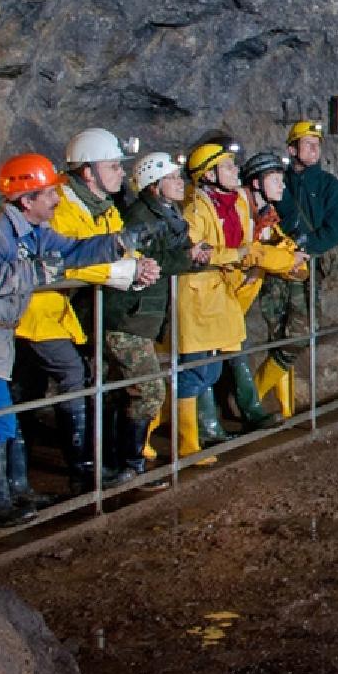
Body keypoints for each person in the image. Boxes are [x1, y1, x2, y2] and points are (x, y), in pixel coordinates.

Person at [0, 154, 134, 543]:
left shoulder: (33, 232)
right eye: (49, 193)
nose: (56, 199)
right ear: (26, 199)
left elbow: (71, 252)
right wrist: (34, 271)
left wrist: (117, 244)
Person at [11, 128, 159, 496]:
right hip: (35, 311)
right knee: (60, 384)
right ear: (88, 172)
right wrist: (126, 271)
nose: (121, 173)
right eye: (113, 166)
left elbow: (113, 247)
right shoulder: (62, 206)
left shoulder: (103, 208)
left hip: (60, 312)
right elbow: (69, 258)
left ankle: (36, 479)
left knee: (30, 393)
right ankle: (81, 472)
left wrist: (139, 265)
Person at [176, 141, 305, 461]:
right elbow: (201, 252)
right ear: (209, 175)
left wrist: (284, 258)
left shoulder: (233, 205)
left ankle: (210, 428)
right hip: (201, 296)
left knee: (211, 367)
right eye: (227, 166)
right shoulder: (199, 209)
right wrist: (247, 255)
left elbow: (255, 247)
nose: (235, 170)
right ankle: (195, 437)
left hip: (221, 295)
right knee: (198, 369)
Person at [104, 151, 212, 480]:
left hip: (143, 313)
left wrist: (192, 255)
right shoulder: (142, 217)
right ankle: (130, 465)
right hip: (129, 315)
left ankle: (121, 463)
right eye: (172, 178)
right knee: (149, 391)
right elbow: (143, 259)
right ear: (153, 185)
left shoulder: (168, 214)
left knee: (125, 390)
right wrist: (187, 257)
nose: (180, 183)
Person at [265, 119, 338, 416]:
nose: (314, 149)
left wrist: (306, 249)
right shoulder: (278, 183)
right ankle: (284, 408)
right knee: (276, 333)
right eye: (308, 144)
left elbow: (336, 229)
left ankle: (256, 394)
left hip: (307, 267)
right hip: (276, 267)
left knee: (300, 334)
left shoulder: (329, 186)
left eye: (317, 145)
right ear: (292, 149)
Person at [220, 150, 307, 431]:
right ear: (256, 182)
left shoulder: (265, 214)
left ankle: (245, 411)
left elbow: (280, 248)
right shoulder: (238, 209)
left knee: (215, 361)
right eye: (275, 179)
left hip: (234, 298)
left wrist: (292, 259)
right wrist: (287, 260)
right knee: (201, 367)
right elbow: (250, 252)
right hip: (219, 295)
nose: (282, 185)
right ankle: (246, 412)